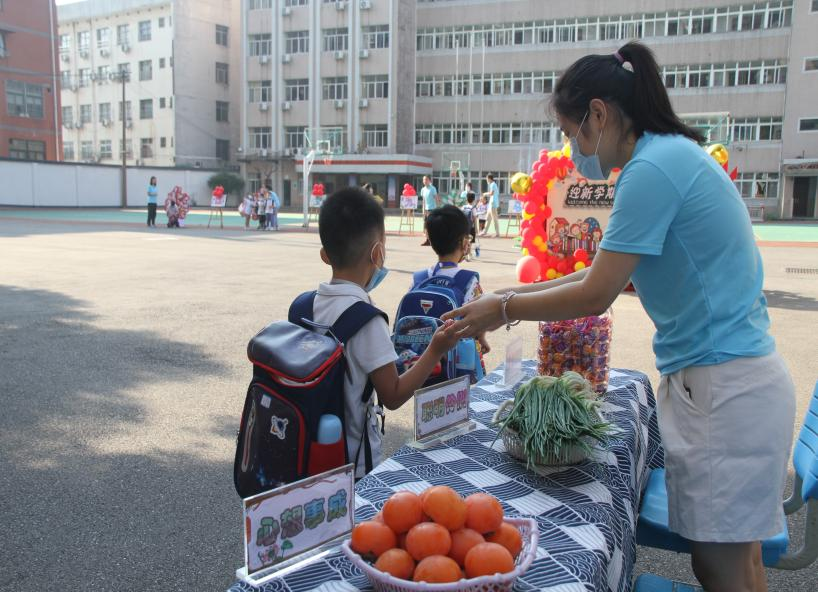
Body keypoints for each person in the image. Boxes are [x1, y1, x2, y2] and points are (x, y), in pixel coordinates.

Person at [442, 41, 794, 592]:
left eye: (570, 132)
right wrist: (507, 296)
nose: (572, 148)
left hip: (723, 392)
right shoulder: (667, 155)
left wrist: (503, 308)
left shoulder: (650, 170)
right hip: (732, 383)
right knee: (740, 565)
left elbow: (596, 294)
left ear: (599, 115)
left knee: (721, 568)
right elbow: (596, 274)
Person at [313, 187, 459, 478]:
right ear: (377, 253)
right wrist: (435, 349)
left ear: (325, 255)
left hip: (312, 452)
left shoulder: (307, 304)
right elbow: (392, 395)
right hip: (351, 464)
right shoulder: (366, 319)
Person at [423, 205, 490, 354]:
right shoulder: (469, 281)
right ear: (463, 242)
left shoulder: (419, 279)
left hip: (420, 362)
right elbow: (479, 320)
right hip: (458, 364)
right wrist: (482, 338)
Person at [419, 175, 439, 246]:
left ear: (429, 180)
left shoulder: (433, 189)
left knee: (432, 226)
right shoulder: (423, 189)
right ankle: (427, 240)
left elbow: (436, 198)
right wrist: (423, 210)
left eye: (426, 179)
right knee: (426, 226)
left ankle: (434, 240)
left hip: (432, 209)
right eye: (423, 180)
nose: (425, 181)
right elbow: (424, 201)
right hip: (426, 210)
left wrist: (437, 209)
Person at [461, 192, 479, 260]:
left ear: (466, 199)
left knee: (465, 240)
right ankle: (468, 254)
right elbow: (474, 218)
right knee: (470, 241)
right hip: (471, 227)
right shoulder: (473, 208)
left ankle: (465, 253)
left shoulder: (464, 207)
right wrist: (476, 228)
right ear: (473, 199)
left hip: (464, 227)